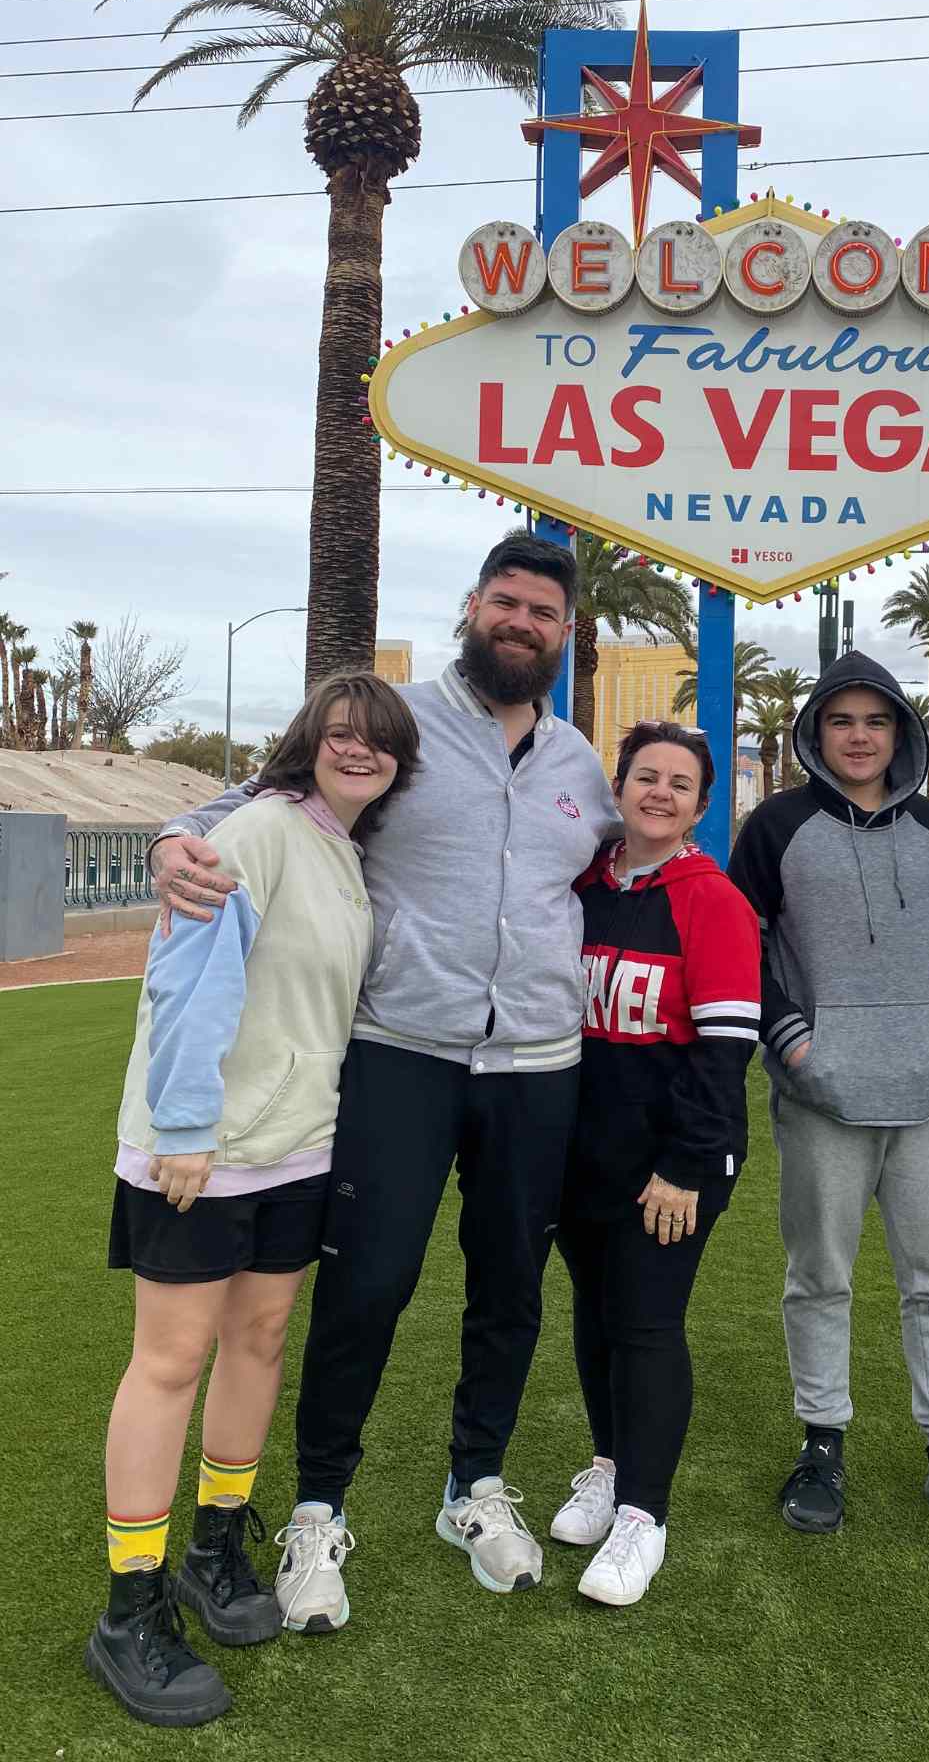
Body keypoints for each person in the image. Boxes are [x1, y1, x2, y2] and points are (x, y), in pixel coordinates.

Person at [148, 533, 619, 1625]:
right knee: (367, 1287)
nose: (521, 621)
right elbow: (264, 796)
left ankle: (475, 1485)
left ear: (563, 632)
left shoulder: (578, 764)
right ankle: (317, 1508)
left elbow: (613, 865)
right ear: (472, 606)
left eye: (542, 611)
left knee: (509, 1285)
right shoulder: (400, 724)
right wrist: (178, 834)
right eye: (505, 601)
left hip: (537, 1066)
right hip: (400, 1052)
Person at [88, 674, 419, 1727]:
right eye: (340, 734)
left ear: (400, 760)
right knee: (171, 1358)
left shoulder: (346, 852)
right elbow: (192, 968)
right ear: (306, 743)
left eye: (379, 740)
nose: (358, 750)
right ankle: (129, 1605)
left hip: (293, 1147)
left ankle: (215, 1546)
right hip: (202, 1148)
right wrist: (184, 1125)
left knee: (260, 1340)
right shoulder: (262, 828)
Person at [728, 652, 929, 1550]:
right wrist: (795, 1044)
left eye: (876, 721)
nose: (859, 737)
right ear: (815, 733)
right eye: (841, 721)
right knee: (820, 1278)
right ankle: (821, 1448)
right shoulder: (778, 826)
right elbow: (741, 948)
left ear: (900, 732)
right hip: (822, 1094)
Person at [548, 721, 760, 1607]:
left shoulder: (710, 898)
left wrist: (682, 1163)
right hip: (582, 1151)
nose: (660, 793)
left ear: (702, 804)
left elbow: (724, 1050)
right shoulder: (584, 887)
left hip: (672, 1158)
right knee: (596, 1318)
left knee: (645, 1323)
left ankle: (645, 1513)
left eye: (680, 783)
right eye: (646, 776)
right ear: (620, 786)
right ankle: (608, 1464)